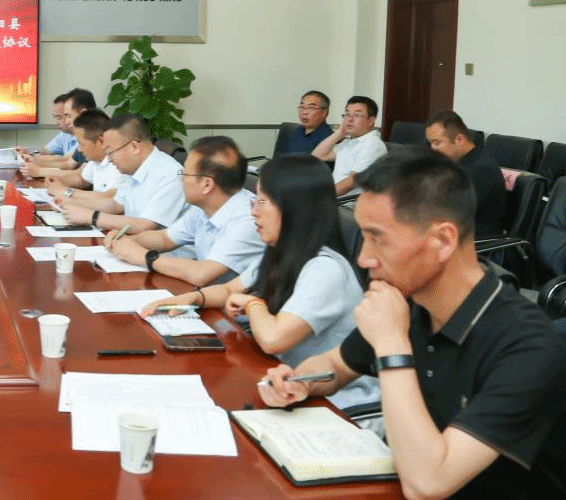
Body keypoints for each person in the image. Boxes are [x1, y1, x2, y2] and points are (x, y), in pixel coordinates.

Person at [259, 150, 566, 500]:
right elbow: (333, 366)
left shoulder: (526, 345)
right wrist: (298, 381)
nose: (363, 258)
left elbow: (428, 482)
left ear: (443, 240)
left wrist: (392, 345)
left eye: (377, 238)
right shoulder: (410, 300)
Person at [141, 155, 379, 412]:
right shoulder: (281, 252)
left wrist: (253, 304)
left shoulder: (325, 270)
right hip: (285, 383)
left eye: (262, 202)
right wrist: (195, 298)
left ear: (295, 208)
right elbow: (230, 289)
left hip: (338, 405)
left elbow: (273, 339)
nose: (253, 210)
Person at [106, 136, 264, 286]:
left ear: (207, 185)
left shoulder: (247, 219)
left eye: (185, 173)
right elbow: (165, 238)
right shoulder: (204, 207)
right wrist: (127, 241)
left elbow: (201, 273)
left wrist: (144, 257)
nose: (181, 179)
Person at [57, 113, 187, 234]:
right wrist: (70, 203)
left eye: (110, 152)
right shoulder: (134, 168)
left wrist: (91, 217)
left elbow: (145, 225)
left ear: (134, 147)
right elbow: (116, 204)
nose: (109, 159)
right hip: (132, 242)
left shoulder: (169, 175)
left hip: (157, 249)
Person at [425, 110, 506, 237]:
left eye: (437, 143)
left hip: (474, 242)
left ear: (460, 139)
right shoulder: (462, 161)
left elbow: (448, 214)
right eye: (430, 143)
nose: (433, 149)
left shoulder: (480, 170)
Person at [42, 109, 127, 202]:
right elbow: (82, 179)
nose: (79, 149)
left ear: (100, 141)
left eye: (81, 144)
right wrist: (57, 181)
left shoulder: (119, 163)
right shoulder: (96, 159)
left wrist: (65, 191)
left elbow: (110, 198)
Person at [312, 95, 387, 197]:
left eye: (357, 115)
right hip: (336, 198)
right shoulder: (350, 142)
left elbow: (351, 182)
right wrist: (340, 133)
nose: (350, 119)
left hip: (349, 202)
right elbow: (317, 156)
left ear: (371, 121)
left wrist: (322, 197)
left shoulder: (373, 145)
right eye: (347, 114)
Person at [277, 90, 333, 156]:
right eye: (302, 107)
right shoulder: (292, 133)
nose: (304, 112)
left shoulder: (329, 139)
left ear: (324, 112)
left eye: (311, 108)